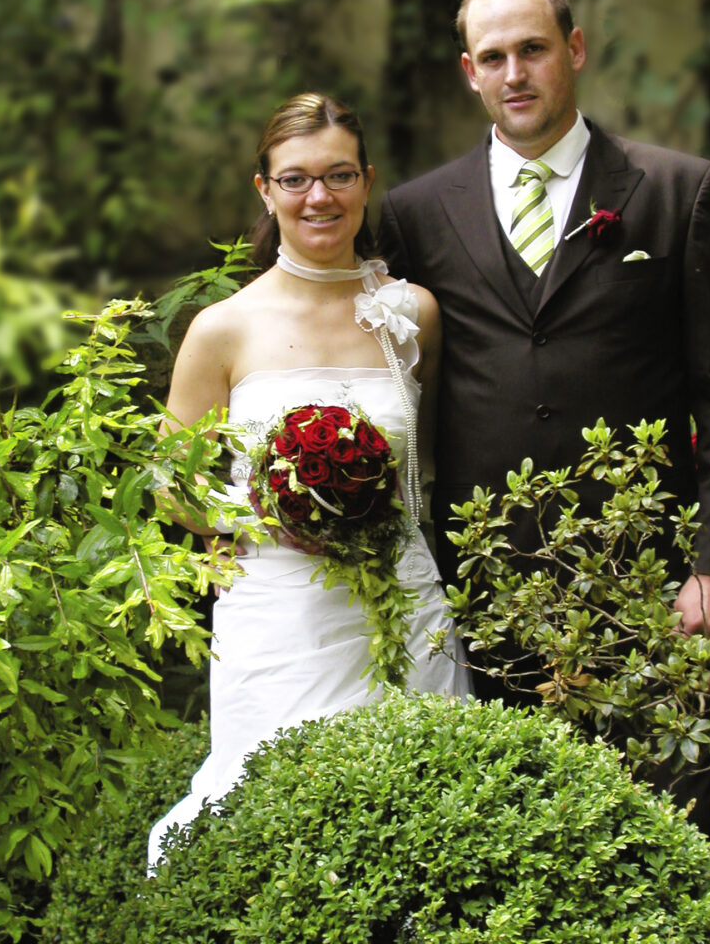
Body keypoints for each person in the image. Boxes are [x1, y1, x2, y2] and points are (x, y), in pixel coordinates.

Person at [377, 0, 710, 838]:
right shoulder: (414, 214)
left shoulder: (678, 191)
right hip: (481, 588)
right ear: (468, 73)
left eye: (533, 49)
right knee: (508, 835)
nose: (515, 72)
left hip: (653, 582)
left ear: (576, 50)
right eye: (494, 57)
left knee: (667, 830)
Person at [147, 92, 470, 870]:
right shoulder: (224, 327)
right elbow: (169, 482)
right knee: (271, 821)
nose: (318, 196)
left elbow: (428, 457)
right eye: (295, 179)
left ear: (366, 182)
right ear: (264, 189)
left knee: (419, 815)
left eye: (338, 176)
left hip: (401, 594)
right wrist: (261, 519)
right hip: (279, 607)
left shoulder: (411, 314)